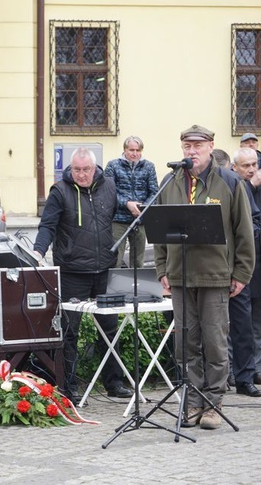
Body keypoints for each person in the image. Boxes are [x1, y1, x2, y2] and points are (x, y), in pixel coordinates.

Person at [154, 125, 254, 430]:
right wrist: (162, 270)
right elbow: (159, 232)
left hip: (214, 275)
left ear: (211, 146)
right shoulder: (169, 182)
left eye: (198, 145)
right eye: (187, 145)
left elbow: (244, 231)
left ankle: (214, 402)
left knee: (213, 342)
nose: (191, 151)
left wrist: (241, 272)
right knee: (187, 342)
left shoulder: (229, 182)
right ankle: (194, 400)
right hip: (181, 276)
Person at [33, 147, 133, 404]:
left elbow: (118, 211)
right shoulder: (60, 191)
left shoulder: (109, 186)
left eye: (86, 169)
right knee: (69, 332)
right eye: (76, 170)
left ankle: (114, 383)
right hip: (72, 272)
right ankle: (69, 387)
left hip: (105, 270)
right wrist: (37, 251)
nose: (81, 175)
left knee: (110, 329)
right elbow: (47, 226)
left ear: (95, 168)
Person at [228, 148, 261, 396]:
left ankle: (244, 377)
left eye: (254, 165)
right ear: (234, 167)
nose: (250, 169)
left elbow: (255, 222)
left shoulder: (248, 189)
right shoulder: (230, 185)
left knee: (243, 327)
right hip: (217, 264)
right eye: (245, 165)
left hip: (242, 267)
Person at [103, 136, 158, 268]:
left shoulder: (149, 167)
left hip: (140, 219)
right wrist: (127, 203)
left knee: (138, 261)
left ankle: (137, 288)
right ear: (125, 150)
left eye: (138, 150)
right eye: (131, 150)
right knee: (115, 259)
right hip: (118, 219)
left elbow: (154, 192)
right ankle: (114, 287)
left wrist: (142, 207)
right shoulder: (113, 165)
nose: (134, 153)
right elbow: (108, 191)